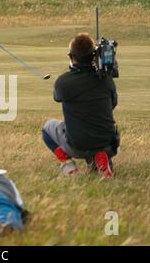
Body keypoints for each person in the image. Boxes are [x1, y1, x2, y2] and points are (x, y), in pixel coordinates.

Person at [42, 33, 119, 178]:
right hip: (108, 143)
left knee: (47, 127)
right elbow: (113, 104)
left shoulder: (63, 82)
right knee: (99, 140)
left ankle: (68, 165)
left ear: (71, 56)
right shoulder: (106, 80)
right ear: (94, 55)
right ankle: (102, 159)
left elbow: (57, 97)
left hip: (77, 146)